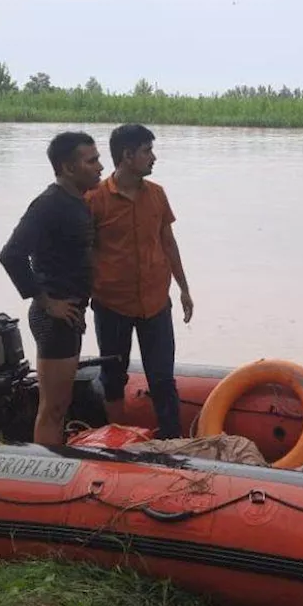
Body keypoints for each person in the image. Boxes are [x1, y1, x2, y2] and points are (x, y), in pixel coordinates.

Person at [85, 123, 193, 439]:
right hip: (112, 305)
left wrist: (184, 288)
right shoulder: (95, 200)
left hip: (156, 303)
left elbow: (169, 243)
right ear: (127, 155)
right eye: (147, 151)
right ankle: (115, 441)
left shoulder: (157, 195)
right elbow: (84, 252)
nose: (153, 157)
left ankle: (172, 443)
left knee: (162, 378)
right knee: (114, 377)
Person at [0, 131, 104, 446]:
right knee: (54, 408)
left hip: (71, 313)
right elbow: (11, 255)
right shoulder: (49, 204)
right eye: (92, 160)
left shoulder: (78, 202)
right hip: (55, 316)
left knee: (61, 403)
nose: (100, 167)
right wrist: (47, 302)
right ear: (68, 168)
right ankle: (46, 470)